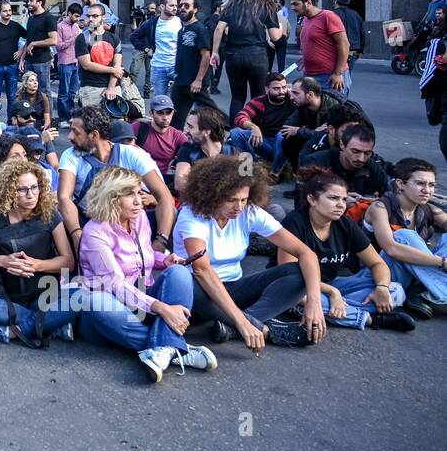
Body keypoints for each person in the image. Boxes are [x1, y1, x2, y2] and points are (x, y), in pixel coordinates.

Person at [74, 167, 217, 382]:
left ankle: (163, 349)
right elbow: (116, 285)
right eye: (129, 194)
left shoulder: (138, 218)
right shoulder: (95, 232)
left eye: (139, 192)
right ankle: (176, 348)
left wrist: (165, 260)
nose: (138, 200)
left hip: (141, 295)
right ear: (111, 197)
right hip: (110, 308)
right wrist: (162, 308)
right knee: (94, 301)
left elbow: (146, 255)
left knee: (178, 272)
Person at [173, 155, 324, 349]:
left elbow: (306, 253)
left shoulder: (249, 212)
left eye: (244, 199)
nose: (239, 207)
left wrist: (314, 302)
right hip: (200, 293)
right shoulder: (192, 216)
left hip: (235, 288)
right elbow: (202, 270)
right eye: (231, 200)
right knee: (187, 281)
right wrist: (244, 323)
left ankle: (233, 326)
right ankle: (259, 327)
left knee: (298, 273)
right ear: (211, 195)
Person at [0, 159, 76, 348]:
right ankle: (50, 324)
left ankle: (10, 332)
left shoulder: (50, 214)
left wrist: (36, 265)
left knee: (81, 297)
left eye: (35, 187)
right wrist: (2, 261)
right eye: (23, 189)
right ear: (9, 191)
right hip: (8, 298)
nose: (31, 195)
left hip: (44, 295)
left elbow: (68, 262)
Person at [280, 169, 413, 331]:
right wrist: (332, 292)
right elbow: (288, 273)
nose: (341, 205)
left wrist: (382, 288)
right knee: (299, 297)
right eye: (333, 198)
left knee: (395, 290)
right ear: (312, 199)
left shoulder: (345, 224)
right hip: (300, 286)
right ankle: (370, 319)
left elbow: (377, 263)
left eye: (344, 199)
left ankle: (334, 309)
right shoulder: (294, 223)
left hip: (334, 284)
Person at [57, 105, 176, 254]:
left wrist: (160, 241)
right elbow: (64, 198)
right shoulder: (70, 156)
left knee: (172, 213)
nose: (70, 137)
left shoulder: (132, 154)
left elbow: (164, 196)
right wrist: (77, 234)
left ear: (94, 135)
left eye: (75, 132)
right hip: (90, 223)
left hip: (129, 223)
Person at [363, 158, 447, 316]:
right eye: (420, 183)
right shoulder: (380, 207)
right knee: (403, 235)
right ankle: (436, 290)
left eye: (431, 185)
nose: (427, 190)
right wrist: (442, 262)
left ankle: (425, 291)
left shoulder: (428, 209)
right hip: (381, 274)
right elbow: (391, 248)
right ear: (401, 184)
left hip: (416, 269)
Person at [211, 0, 284, 123]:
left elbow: (219, 29)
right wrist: (281, 28)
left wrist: (215, 52)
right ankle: (257, 130)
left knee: (237, 97)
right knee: (258, 96)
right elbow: (275, 37)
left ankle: (235, 131)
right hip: (257, 55)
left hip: (233, 54)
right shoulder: (267, 6)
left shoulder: (231, 5)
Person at [298, 123, 389, 203]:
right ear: (342, 144)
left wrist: (379, 202)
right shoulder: (316, 163)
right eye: (355, 151)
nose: (361, 158)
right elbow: (301, 201)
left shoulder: (374, 169)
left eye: (367, 153)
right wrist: (339, 200)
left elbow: (391, 198)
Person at [169, 0, 217, 131]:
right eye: (181, 5)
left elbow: (206, 56)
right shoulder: (181, 30)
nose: (182, 8)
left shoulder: (200, 29)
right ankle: (175, 146)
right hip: (180, 82)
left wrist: (198, 80)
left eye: (187, 6)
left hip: (194, 83)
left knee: (211, 115)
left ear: (195, 9)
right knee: (176, 119)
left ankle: (233, 131)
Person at [291, 0, 351, 97]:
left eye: (296, 4)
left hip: (329, 77)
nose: (292, 8)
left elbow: (344, 44)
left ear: (308, 3)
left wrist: (338, 73)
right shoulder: (305, 19)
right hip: (310, 76)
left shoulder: (328, 16)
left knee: (332, 112)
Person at [230, 72, 292, 176]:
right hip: (264, 142)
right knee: (235, 133)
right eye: (276, 88)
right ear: (267, 89)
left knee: (281, 135)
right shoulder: (259, 102)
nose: (281, 91)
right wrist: (254, 127)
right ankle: (249, 169)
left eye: (284, 87)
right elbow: (240, 117)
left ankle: (275, 173)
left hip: (287, 144)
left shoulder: (292, 100)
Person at [172, 106, 232, 195]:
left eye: (190, 127)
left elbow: (249, 181)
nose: (185, 131)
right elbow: (179, 183)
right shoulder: (187, 149)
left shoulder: (235, 152)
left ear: (207, 132)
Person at [75, 3, 125, 110]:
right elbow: (87, 65)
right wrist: (112, 70)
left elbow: (117, 65)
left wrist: (111, 87)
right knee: (92, 125)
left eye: (95, 16)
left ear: (104, 17)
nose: (91, 19)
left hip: (114, 87)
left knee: (117, 124)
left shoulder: (114, 39)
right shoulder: (82, 38)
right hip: (91, 88)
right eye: (88, 16)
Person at [0, 0, 26, 119]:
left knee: (12, 97)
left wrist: (21, 51)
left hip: (12, 67)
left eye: (9, 10)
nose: (8, 13)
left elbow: (29, 38)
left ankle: (10, 124)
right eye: (5, 11)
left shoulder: (16, 26)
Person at [131, 95, 186, 176]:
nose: (165, 117)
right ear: (151, 114)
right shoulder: (138, 127)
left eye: (168, 112)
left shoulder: (177, 136)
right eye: (160, 113)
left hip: (161, 178)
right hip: (136, 176)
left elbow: (192, 154)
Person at [18, 0, 59, 96]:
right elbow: (28, 40)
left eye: (31, 1)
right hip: (29, 61)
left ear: (39, 2)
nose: (29, 3)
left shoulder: (48, 18)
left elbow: (54, 40)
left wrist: (35, 44)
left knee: (44, 91)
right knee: (29, 91)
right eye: (28, 1)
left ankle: (47, 113)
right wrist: (22, 59)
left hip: (42, 61)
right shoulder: (31, 19)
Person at [55, 3, 83, 124]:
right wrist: (73, 39)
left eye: (79, 17)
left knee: (72, 93)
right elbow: (58, 46)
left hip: (76, 63)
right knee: (63, 93)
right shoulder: (60, 26)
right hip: (64, 63)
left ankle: (71, 116)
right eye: (76, 16)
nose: (77, 19)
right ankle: (63, 118)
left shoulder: (76, 26)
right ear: (69, 13)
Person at [332, 0, 365, 73]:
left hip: (335, 51)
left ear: (336, 1)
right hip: (352, 51)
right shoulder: (356, 15)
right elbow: (362, 34)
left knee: (333, 77)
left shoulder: (330, 14)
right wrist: (360, 50)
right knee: (346, 76)